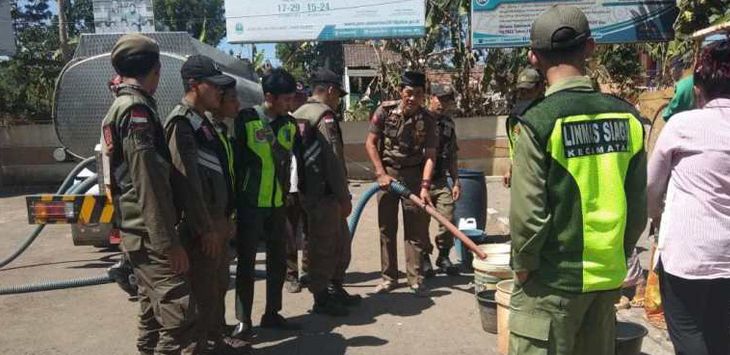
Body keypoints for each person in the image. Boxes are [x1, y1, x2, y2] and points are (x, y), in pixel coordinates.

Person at [507, 6, 647, 355]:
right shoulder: (628, 117)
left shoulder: (537, 122)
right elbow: (637, 207)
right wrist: (619, 257)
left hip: (552, 283)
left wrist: (523, 268)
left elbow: (528, 218)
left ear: (533, 57)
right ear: (591, 47)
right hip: (605, 283)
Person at [100, 34, 197, 354]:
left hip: (137, 230)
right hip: (151, 234)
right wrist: (168, 242)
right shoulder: (135, 110)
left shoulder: (122, 105)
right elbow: (147, 180)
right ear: (155, 69)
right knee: (180, 320)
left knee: (152, 314)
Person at [647, 39, 730, 355]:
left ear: (698, 87)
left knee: (688, 333)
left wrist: (655, 217)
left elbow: (652, 188)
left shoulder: (683, 125)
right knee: (720, 333)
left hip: (689, 256)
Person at [163, 55, 243, 354]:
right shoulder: (182, 123)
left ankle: (215, 341)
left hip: (216, 221)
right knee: (199, 296)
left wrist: (225, 217)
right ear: (195, 85)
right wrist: (205, 227)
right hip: (201, 227)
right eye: (215, 87)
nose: (220, 93)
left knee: (215, 288)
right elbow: (186, 183)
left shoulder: (203, 124)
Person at [231, 68, 300, 340]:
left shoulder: (290, 126)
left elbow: (289, 166)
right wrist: (233, 208)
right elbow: (235, 165)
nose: (290, 104)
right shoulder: (245, 120)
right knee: (246, 266)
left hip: (277, 206)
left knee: (277, 263)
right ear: (269, 96)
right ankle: (243, 321)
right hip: (250, 207)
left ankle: (272, 313)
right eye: (286, 99)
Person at [293, 68, 360, 316]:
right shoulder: (324, 116)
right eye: (338, 95)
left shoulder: (298, 113)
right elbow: (333, 159)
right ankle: (322, 296)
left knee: (322, 241)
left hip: (306, 190)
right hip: (325, 194)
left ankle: (333, 288)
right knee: (328, 245)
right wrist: (344, 196)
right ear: (330, 90)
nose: (338, 100)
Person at [365, 71, 439, 297]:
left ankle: (415, 279)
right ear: (400, 91)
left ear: (423, 95)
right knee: (387, 228)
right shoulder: (385, 112)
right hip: (387, 176)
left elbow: (430, 155)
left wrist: (425, 187)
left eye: (418, 94)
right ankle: (388, 278)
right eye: (409, 93)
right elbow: (370, 142)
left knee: (414, 230)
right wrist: (380, 173)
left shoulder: (428, 119)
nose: (412, 98)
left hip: (414, 177)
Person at [422, 83, 460, 277]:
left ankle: (443, 256)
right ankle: (424, 259)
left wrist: (456, 181)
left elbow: (452, 155)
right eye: (440, 99)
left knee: (448, 217)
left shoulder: (448, 124)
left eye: (446, 100)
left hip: (440, 180)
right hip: (419, 182)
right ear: (431, 97)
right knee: (420, 223)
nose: (442, 104)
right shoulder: (418, 120)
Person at [284, 82, 311, 294]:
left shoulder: (307, 121)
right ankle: (291, 275)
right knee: (290, 233)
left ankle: (308, 270)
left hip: (306, 185)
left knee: (309, 231)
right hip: (288, 187)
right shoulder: (282, 121)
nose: (302, 99)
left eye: (304, 95)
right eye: (298, 96)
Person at [504, 67, 545, 188]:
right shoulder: (515, 116)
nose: (523, 94)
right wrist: (510, 168)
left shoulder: (547, 113)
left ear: (540, 88)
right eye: (521, 90)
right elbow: (514, 144)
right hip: (521, 175)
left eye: (528, 90)